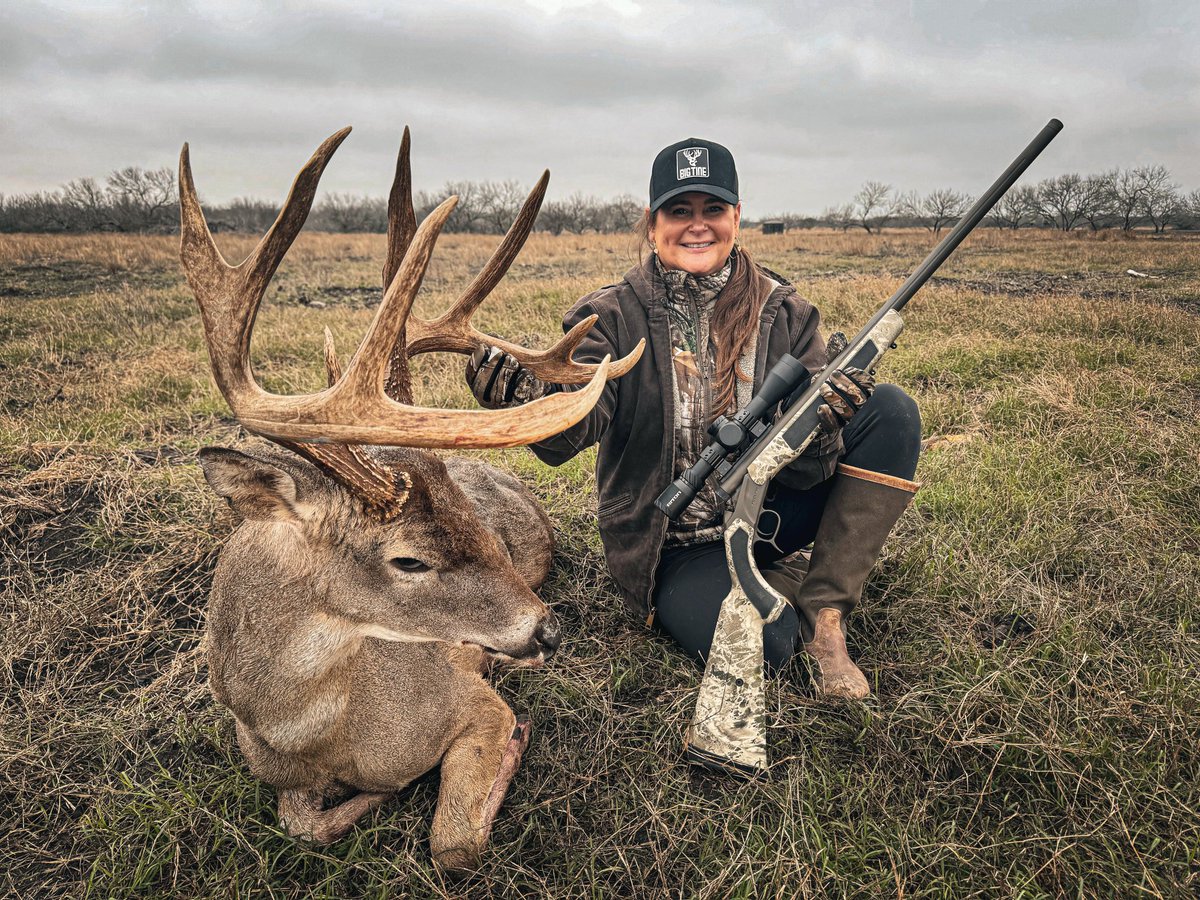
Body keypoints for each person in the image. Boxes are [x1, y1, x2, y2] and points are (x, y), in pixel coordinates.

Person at [465, 137, 922, 698]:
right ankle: (770, 592)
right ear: (653, 224)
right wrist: (526, 400)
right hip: (674, 541)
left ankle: (826, 617)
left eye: (713, 210)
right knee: (768, 649)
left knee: (890, 411)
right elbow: (573, 429)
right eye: (679, 211)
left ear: (737, 217)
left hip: (770, 511)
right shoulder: (610, 316)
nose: (697, 226)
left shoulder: (788, 314)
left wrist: (827, 422)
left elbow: (806, 473)